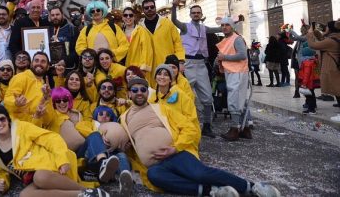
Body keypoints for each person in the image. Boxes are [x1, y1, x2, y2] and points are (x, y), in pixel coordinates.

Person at [119, 77, 280, 197]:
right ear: (129, 94)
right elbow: (123, 141)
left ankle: (251, 187)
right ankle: (211, 191)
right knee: (154, 177)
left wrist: (175, 148)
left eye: (143, 90)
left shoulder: (161, 108)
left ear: (148, 92)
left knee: (200, 174)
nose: (139, 93)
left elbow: (189, 127)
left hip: (176, 154)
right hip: (155, 166)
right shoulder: (124, 118)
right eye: (135, 90)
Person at [0, 105, 108, 197]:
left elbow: (51, 138)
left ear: (8, 120)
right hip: (31, 179)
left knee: (40, 176)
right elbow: (2, 171)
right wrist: (2, 182)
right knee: (24, 195)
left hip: (51, 167)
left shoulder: (21, 128)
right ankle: (87, 194)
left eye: (2, 119)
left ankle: (84, 190)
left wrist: (62, 160)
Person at [170, 1, 218, 137]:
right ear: (190, 15)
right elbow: (174, 20)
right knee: (183, 96)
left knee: (208, 98)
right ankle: (181, 125)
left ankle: (207, 126)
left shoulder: (204, 28)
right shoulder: (185, 27)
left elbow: (218, 29)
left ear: (201, 14)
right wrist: (174, 7)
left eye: (198, 13)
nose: (196, 14)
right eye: (194, 13)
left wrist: (233, 24)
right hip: (188, 63)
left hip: (202, 64)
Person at [127, 0, 185, 84]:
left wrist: (180, 61)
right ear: (143, 10)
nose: (149, 9)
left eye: (152, 7)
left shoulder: (167, 23)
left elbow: (177, 42)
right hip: (149, 69)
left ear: (155, 7)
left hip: (167, 65)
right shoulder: (139, 28)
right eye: (146, 8)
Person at [217, 17, 252, 141]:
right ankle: (245, 129)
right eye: (222, 25)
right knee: (240, 99)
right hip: (233, 71)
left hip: (238, 72)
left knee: (234, 100)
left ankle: (234, 129)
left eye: (227, 25)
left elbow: (242, 55)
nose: (224, 27)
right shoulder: (229, 39)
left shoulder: (236, 39)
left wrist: (223, 57)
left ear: (232, 26)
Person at [3, 51, 54, 127]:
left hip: (37, 126)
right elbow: (7, 100)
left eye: (43, 61)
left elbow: (48, 119)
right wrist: (15, 103)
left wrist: (47, 98)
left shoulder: (45, 87)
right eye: (36, 60)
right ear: (31, 64)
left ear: (47, 67)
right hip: (18, 125)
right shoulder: (20, 77)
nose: (39, 63)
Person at [75, 0, 129, 64]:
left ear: (102, 11)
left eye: (98, 10)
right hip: (94, 65)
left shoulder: (114, 27)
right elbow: (79, 47)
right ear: (90, 13)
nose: (95, 12)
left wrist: (112, 53)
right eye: (92, 11)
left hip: (112, 65)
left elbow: (124, 45)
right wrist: (91, 55)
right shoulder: (86, 30)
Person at [306, 20, 340, 114]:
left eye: (327, 27)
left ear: (331, 29)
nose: (325, 28)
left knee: (338, 90)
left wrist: (309, 34)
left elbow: (313, 45)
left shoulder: (331, 41)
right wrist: (315, 32)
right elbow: (323, 40)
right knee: (337, 90)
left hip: (332, 68)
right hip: (336, 67)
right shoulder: (335, 37)